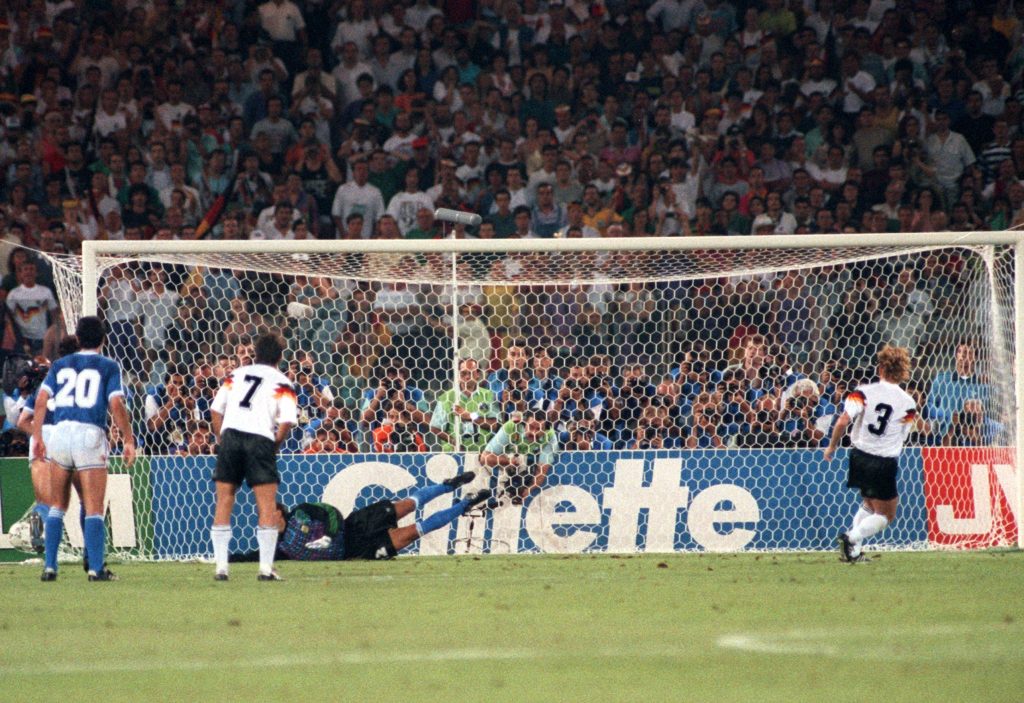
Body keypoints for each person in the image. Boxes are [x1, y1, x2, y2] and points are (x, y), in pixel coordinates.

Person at [33, 317, 137, 582]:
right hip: (89, 433)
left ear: (77, 339)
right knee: (93, 506)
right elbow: (116, 404)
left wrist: (38, 438)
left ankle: (49, 567)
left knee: (57, 504)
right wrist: (128, 438)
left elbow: (42, 399)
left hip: (60, 433)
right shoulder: (108, 366)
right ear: (103, 339)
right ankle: (96, 568)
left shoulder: (59, 365)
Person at [230, 472, 490, 562]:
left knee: (407, 505)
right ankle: (465, 505)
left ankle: (448, 485)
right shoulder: (281, 549)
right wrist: (227, 559)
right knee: (415, 531)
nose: (264, 520)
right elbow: (253, 557)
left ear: (279, 512)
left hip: (355, 524)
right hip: (359, 548)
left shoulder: (302, 512)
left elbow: (331, 512)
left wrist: (330, 535)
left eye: (267, 514)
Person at [209, 332, 297, 582]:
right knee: (267, 505)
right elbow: (287, 420)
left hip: (232, 437)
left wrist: (221, 439)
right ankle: (265, 569)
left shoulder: (235, 375)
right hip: (260, 439)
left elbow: (216, 410)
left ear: (255, 354)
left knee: (224, 499)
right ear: (280, 357)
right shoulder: (282, 381)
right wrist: (275, 445)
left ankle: (221, 568)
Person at [824, 345, 916, 564]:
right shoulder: (908, 403)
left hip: (859, 456)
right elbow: (904, 434)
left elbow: (843, 420)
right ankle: (851, 537)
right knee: (886, 515)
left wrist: (832, 446)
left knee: (869, 505)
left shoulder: (863, 392)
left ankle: (853, 553)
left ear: (881, 368)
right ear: (902, 371)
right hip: (883, 461)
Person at [480, 409, 558, 505]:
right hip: (504, 465)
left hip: (529, 470)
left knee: (528, 462)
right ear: (524, 422)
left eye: (538, 429)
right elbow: (484, 458)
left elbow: (542, 470)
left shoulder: (550, 436)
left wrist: (528, 490)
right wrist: (508, 461)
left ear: (545, 429)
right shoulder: (512, 426)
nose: (533, 432)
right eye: (531, 427)